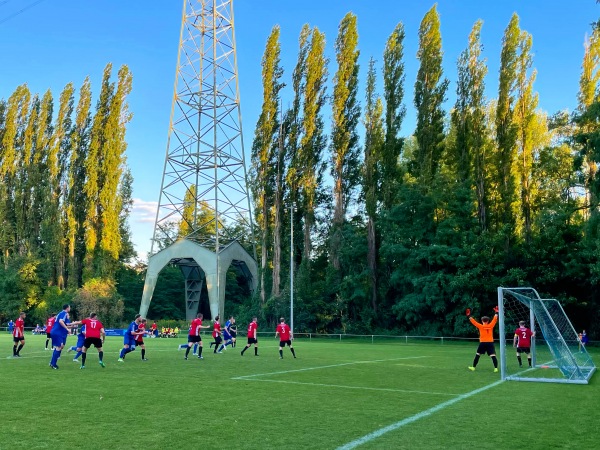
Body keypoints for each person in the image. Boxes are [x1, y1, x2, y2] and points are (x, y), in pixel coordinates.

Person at [467, 307, 499, 372]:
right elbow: (495, 319)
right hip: (490, 343)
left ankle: (473, 367)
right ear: (488, 321)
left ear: (482, 321)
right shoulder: (491, 325)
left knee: (478, 354)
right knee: (493, 355)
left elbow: (474, 322)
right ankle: (495, 368)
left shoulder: (480, 326)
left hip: (483, 343)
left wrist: (469, 316)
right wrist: (496, 312)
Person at [49, 304, 79, 369]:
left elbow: (65, 323)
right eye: (70, 307)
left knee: (59, 347)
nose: (70, 308)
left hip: (56, 332)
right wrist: (67, 329)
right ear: (67, 308)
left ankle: (52, 363)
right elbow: (60, 321)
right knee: (59, 347)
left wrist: (72, 325)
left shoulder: (61, 313)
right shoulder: (64, 313)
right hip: (57, 332)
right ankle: (53, 364)